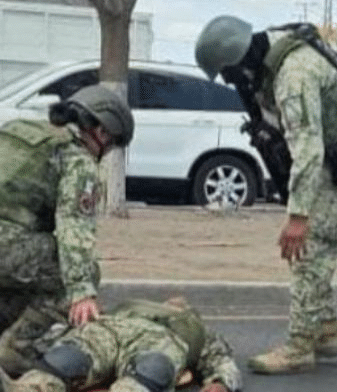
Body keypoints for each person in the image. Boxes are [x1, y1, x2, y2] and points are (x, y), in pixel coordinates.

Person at [194, 16, 337, 374]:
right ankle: (326, 331)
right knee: (309, 251)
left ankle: (299, 346)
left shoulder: (293, 76)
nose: (232, 83)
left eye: (228, 74)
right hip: (336, 164)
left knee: (307, 248)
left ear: (238, 60)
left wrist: (298, 216)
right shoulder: (276, 50)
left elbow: (309, 149)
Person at [0, 85, 134, 377]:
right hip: (5, 246)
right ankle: (15, 350)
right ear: (101, 131)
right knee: (70, 270)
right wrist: (81, 291)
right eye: (110, 145)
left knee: (26, 273)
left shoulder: (18, 130)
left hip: (9, 247)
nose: (106, 151)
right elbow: (74, 227)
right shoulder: (75, 157)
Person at [0, 296, 242, 392]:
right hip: (110, 327)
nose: (175, 300)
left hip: (160, 339)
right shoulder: (130, 307)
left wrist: (221, 384)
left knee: (151, 370)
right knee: (67, 360)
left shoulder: (193, 328)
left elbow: (223, 361)